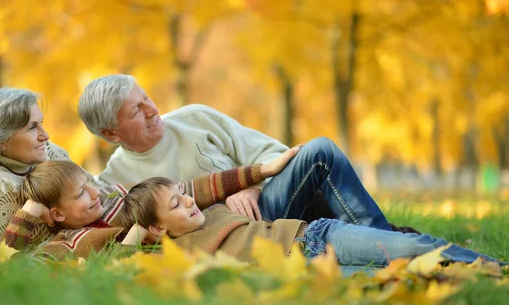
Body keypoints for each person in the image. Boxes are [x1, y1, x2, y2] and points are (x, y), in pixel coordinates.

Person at [77, 74, 417, 234]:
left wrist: (250, 187)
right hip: (231, 236)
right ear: (110, 133)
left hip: (266, 206)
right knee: (382, 233)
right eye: (136, 110)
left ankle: (385, 241)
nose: (152, 109)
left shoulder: (196, 117)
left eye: (146, 97)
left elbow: (278, 154)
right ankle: (389, 241)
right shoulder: (115, 181)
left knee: (320, 151)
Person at [117, 177, 504, 274]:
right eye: (176, 204)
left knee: (411, 249)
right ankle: (476, 277)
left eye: (184, 194)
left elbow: (229, 179)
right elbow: (120, 255)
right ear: (157, 229)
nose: (189, 202)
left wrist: (250, 187)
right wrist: (142, 229)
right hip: (309, 271)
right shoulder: (175, 253)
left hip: (317, 237)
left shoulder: (214, 210)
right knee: (403, 274)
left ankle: (497, 269)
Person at [1, 148, 300, 259]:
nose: (95, 194)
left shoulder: (117, 198)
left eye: (89, 183)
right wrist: (28, 213)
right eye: (80, 194)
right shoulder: (64, 244)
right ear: (56, 213)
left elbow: (192, 189)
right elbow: (7, 263)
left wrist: (261, 172)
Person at [0, 88, 88, 244]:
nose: (45, 136)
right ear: (2, 141)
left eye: (41, 123)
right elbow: (1, 257)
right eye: (32, 127)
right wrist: (30, 213)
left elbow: (97, 192)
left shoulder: (49, 152)